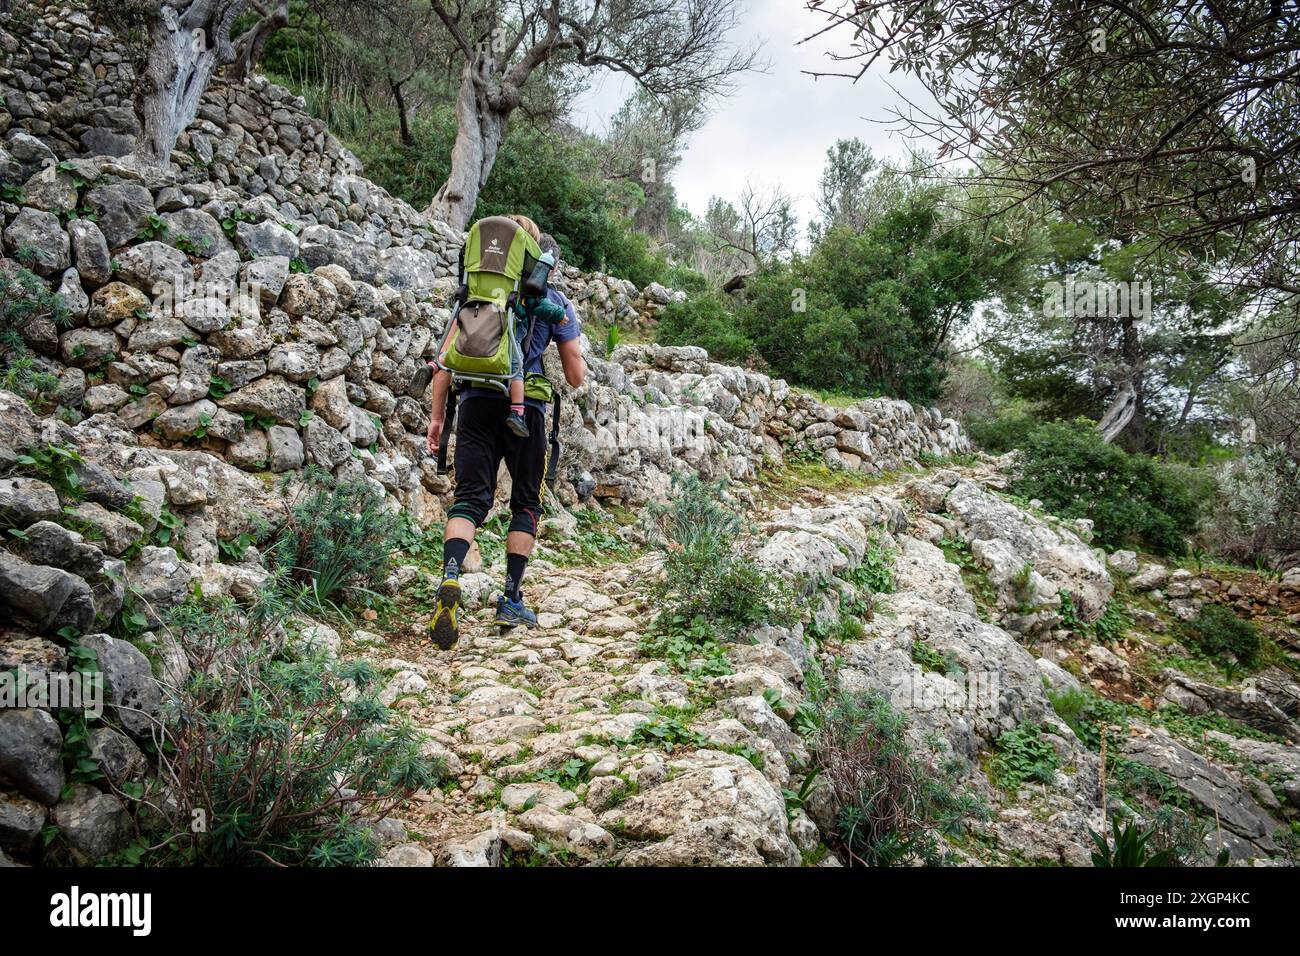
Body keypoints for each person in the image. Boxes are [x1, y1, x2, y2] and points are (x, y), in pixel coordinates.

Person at [424, 217, 587, 649]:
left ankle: (451, 576)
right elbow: (575, 377)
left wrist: (437, 420)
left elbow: (444, 363)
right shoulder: (551, 300)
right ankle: (511, 598)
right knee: (525, 502)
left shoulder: (475, 296)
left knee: (470, 498)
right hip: (526, 408)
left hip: (475, 402)